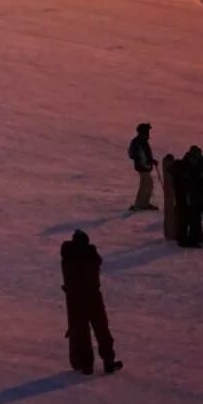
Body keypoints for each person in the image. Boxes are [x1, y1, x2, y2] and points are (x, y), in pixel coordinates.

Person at [61, 230, 123, 375]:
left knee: (82, 332)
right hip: (92, 296)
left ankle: (86, 364)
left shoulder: (68, 258)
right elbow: (97, 262)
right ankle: (107, 360)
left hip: (75, 298)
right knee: (101, 329)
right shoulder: (91, 256)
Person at [129, 123, 156, 211]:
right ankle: (140, 205)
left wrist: (151, 161)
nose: (148, 133)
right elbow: (140, 156)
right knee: (146, 185)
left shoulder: (140, 141)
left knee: (148, 185)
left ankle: (143, 204)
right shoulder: (139, 142)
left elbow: (132, 154)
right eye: (147, 131)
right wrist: (149, 163)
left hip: (143, 166)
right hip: (143, 167)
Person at [181, 147, 203, 248]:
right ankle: (194, 238)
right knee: (194, 218)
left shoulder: (201, 162)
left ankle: (197, 237)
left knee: (196, 217)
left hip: (200, 194)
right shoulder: (185, 164)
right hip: (193, 195)